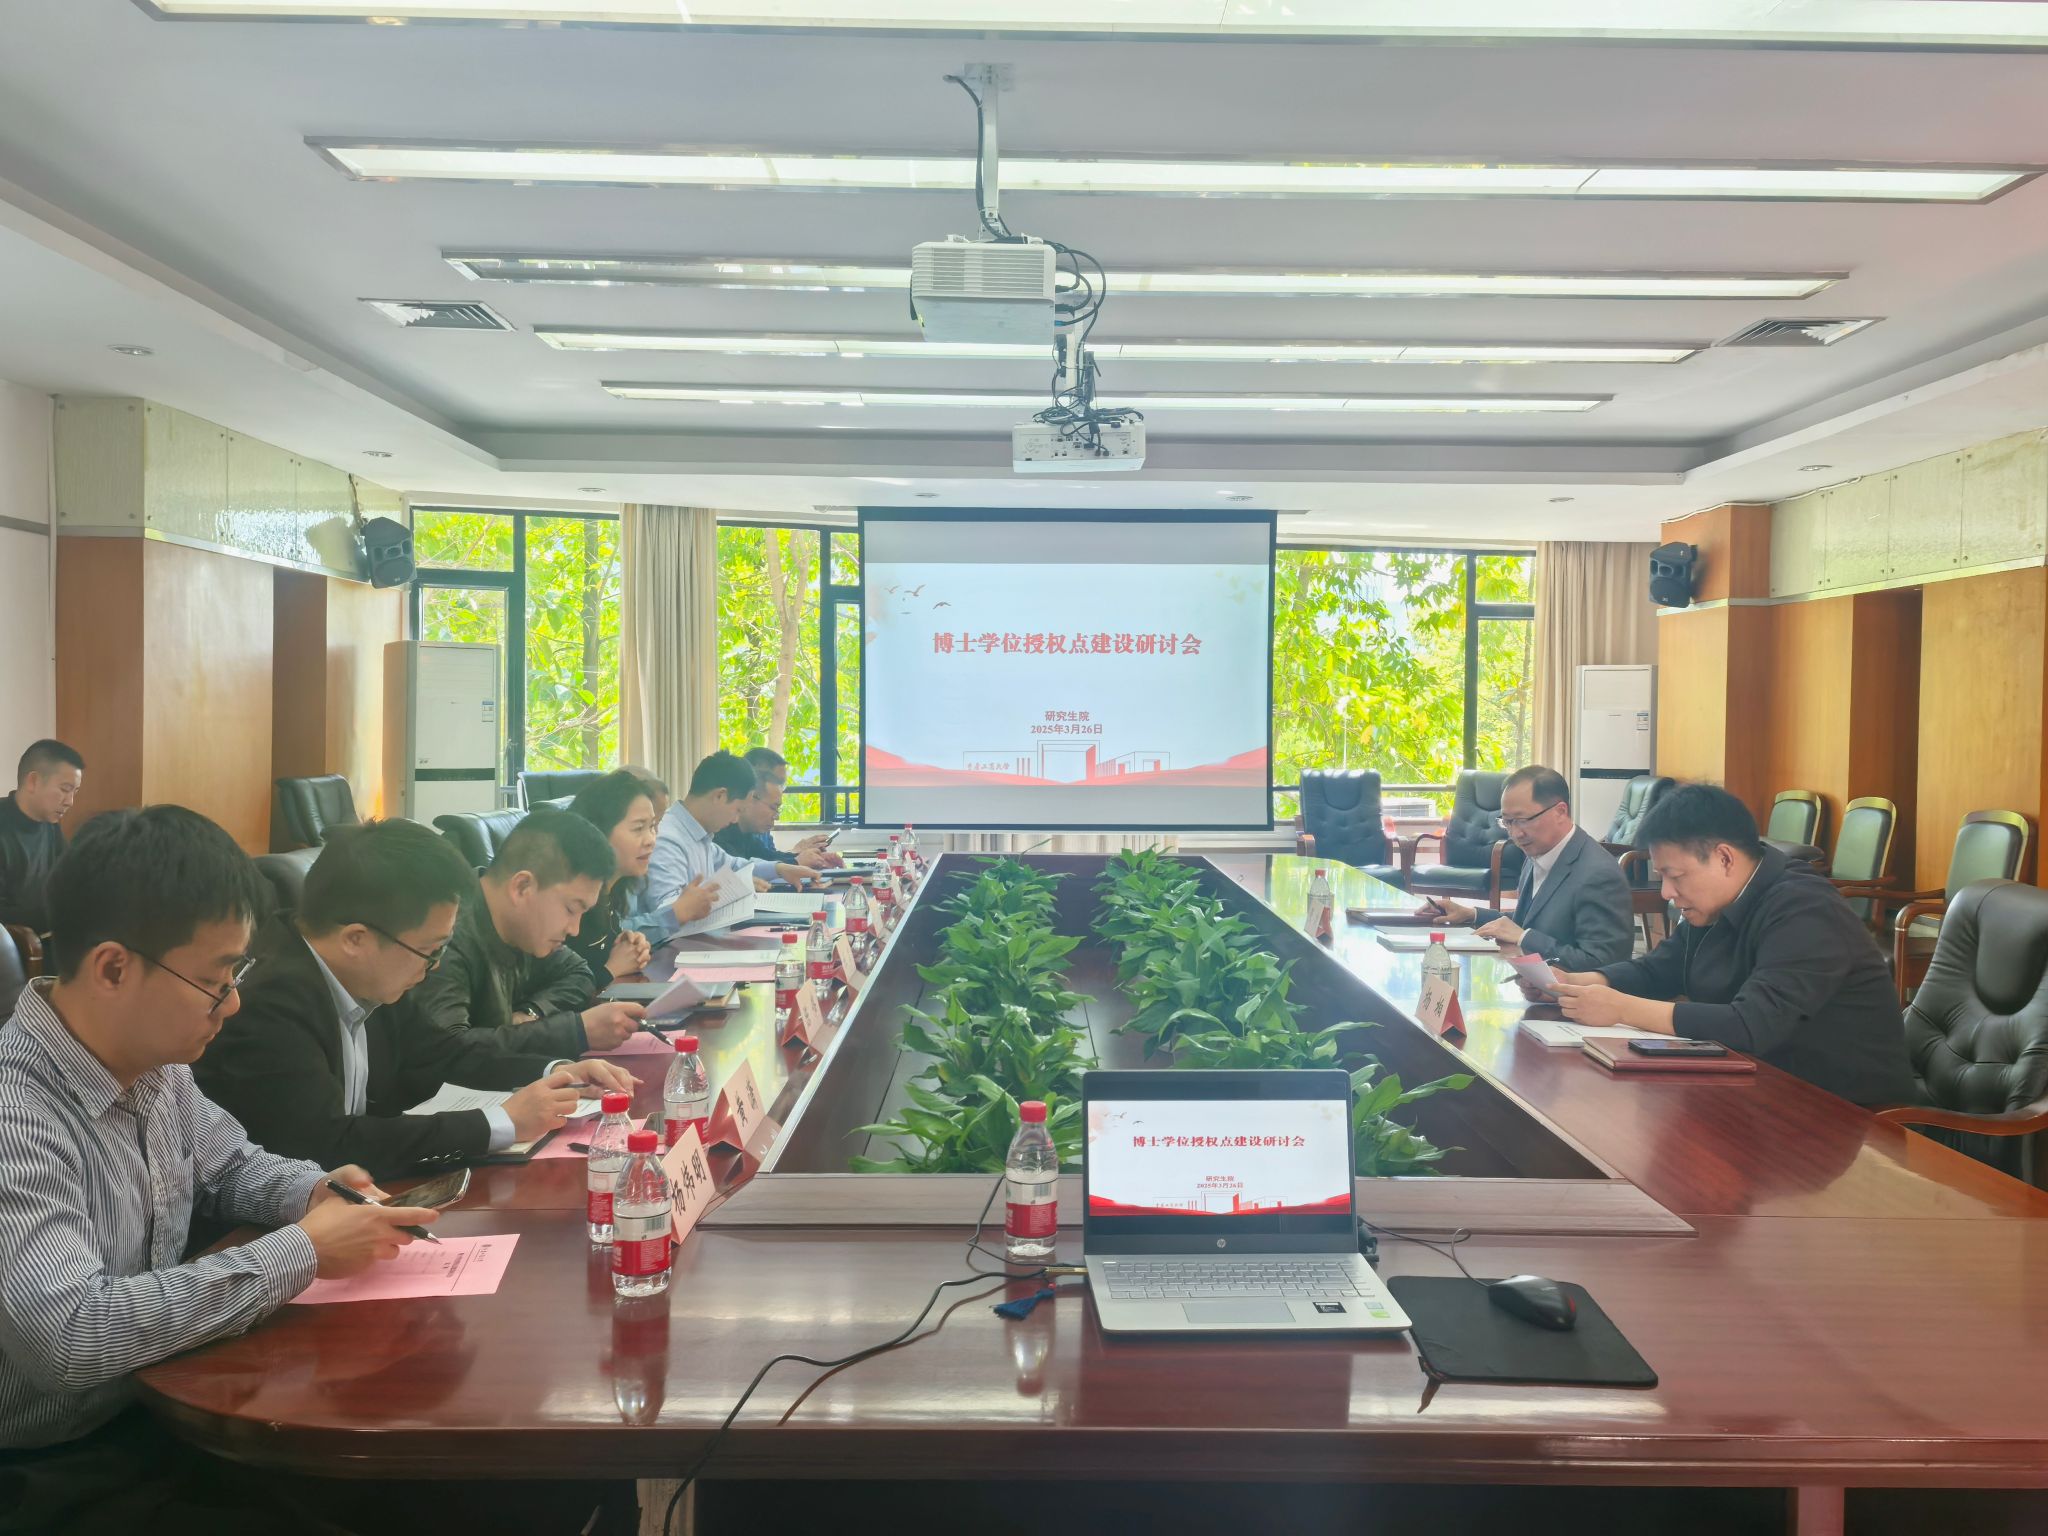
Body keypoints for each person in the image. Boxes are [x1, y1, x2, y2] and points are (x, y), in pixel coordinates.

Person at [0, 804, 441, 1528]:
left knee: (423, 1486)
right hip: (53, 1468)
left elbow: (230, 1164)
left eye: (239, 972)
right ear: (113, 968)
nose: (233, 1003)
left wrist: (318, 1191)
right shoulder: (17, 1112)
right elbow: (69, 1336)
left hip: (168, 1403)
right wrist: (304, 1251)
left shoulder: (156, 1066)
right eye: (216, 978)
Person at [196, 819, 637, 1177]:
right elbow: (328, 1146)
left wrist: (556, 1073)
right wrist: (500, 1122)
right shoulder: (271, 1001)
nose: (436, 967)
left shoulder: (368, 975)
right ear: (356, 939)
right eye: (430, 951)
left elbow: (442, 1055)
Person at [1550, 781, 1916, 1107]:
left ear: (1724, 858)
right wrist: (1576, 982)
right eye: (1662, 877)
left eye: (1675, 876)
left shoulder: (1806, 910)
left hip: (1848, 1116)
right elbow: (1657, 970)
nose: (1666, 892)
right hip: (1761, 1088)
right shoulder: (1716, 903)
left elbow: (1750, 1025)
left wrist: (1620, 1008)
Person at [409, 810, 644, 1058]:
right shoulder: (444, 934)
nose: (574, 929)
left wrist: (532, 1013)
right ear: (522, 887)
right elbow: (447, 1050)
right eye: (571, 909)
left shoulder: (524, 928)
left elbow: (579, 974)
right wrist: (574, 1032)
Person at [1427, 765, 1633, 974]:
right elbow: (1529, 920)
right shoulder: (1537, 853)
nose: (1515, 833)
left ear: (1560, 812)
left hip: (1569, 993)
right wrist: (1471, 915)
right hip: (1535, 984)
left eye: (1523, 821)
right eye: (1507, 822)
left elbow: (1604, 965)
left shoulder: (1598, 874)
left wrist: (1524, 938)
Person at [646, 751, 816, 936]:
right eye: (738, 810)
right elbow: (666, 910)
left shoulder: (700, 834)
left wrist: (779, 869)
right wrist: (729, 890)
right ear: (720, 796)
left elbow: (734, 865)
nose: (735, 819)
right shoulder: (667, 838)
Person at [564, 769, 663, 984]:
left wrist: (628, 945)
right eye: (638, 828)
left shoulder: (611, 890)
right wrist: (612, 968)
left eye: (652, 827)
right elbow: (559, 987)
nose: (651, 839)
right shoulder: (573, 900)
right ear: (599, 831)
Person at [0, 738, 84, 935]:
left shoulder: (49, 823)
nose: (70, 802)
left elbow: (69, 875)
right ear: (33, 781)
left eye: (75, 792)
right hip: (16, 945)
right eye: (65, 789)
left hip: (50, 936)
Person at [715, 747, 842, 872]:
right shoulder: (718, 833)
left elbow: (769, 858)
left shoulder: (747, 834)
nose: (777, 816)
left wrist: (812, 859)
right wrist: (797, 861)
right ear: (751, 795)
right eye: (773, 807)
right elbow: (740, 871)